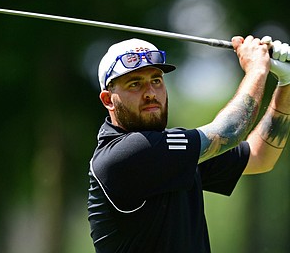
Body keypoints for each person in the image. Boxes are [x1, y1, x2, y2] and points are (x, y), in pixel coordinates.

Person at [87, 36, 290, 253]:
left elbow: (259, 157)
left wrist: (285, 84)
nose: (150, 93)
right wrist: (257, 70)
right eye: (135, 84)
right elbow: (230, 131)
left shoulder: (174, 151)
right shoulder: (123, 154)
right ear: (108, 100)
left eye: (156, 80)